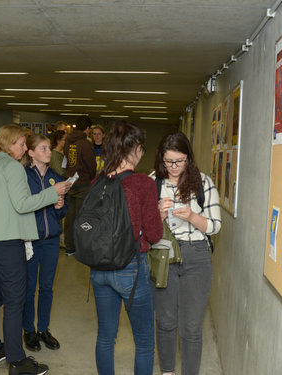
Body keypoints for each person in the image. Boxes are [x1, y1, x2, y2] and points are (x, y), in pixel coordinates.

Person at [0, 124, 71, 375]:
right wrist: (52, 192)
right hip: (7, 244)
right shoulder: (13, 169)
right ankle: (17, 361)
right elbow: (23, 204)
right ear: (7, 143)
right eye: (21, 144)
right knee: (15, 302)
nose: (24, 148)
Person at [90, 120, 162, 375]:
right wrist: (159, 214)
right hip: (130, 268)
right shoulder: (143, 183)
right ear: (137, 148)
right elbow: (153, 235)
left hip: (99, 269)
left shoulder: (99, 181)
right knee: (144, 342)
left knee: (105, 337)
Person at [152, 132, 221, 375]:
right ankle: (167, 372)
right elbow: (142, 229)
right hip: (163, 255)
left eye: (179, 161)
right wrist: (157, 215)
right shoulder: (153, 182)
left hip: (196, 255)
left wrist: (192, 216)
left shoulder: (204, 183)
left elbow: (214, 226)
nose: (173, 167)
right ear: (161, 159)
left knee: (191, 327)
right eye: (168, 161)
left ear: (188, 159)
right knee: (166, 322)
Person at [21, 134, 68, 353]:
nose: (49, 152)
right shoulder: (22, 177)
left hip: (51, 242)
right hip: (31, 241)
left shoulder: (56, 177)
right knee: (29, 288)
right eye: (43, 148)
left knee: (47, 287)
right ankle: (28, 330)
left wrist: (60, 208)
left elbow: (64, 210)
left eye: (49, 148)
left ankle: (43, 329)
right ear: (30, 152)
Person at [63, 115, 96, 255]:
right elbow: (91, 165)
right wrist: (91, 177)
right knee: (82, 217)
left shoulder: (68, 142)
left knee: (69, 217)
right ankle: (80, 247)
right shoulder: (86, 144)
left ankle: (69, 246)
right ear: (87, 129)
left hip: (70, 183)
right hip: (83, 184)